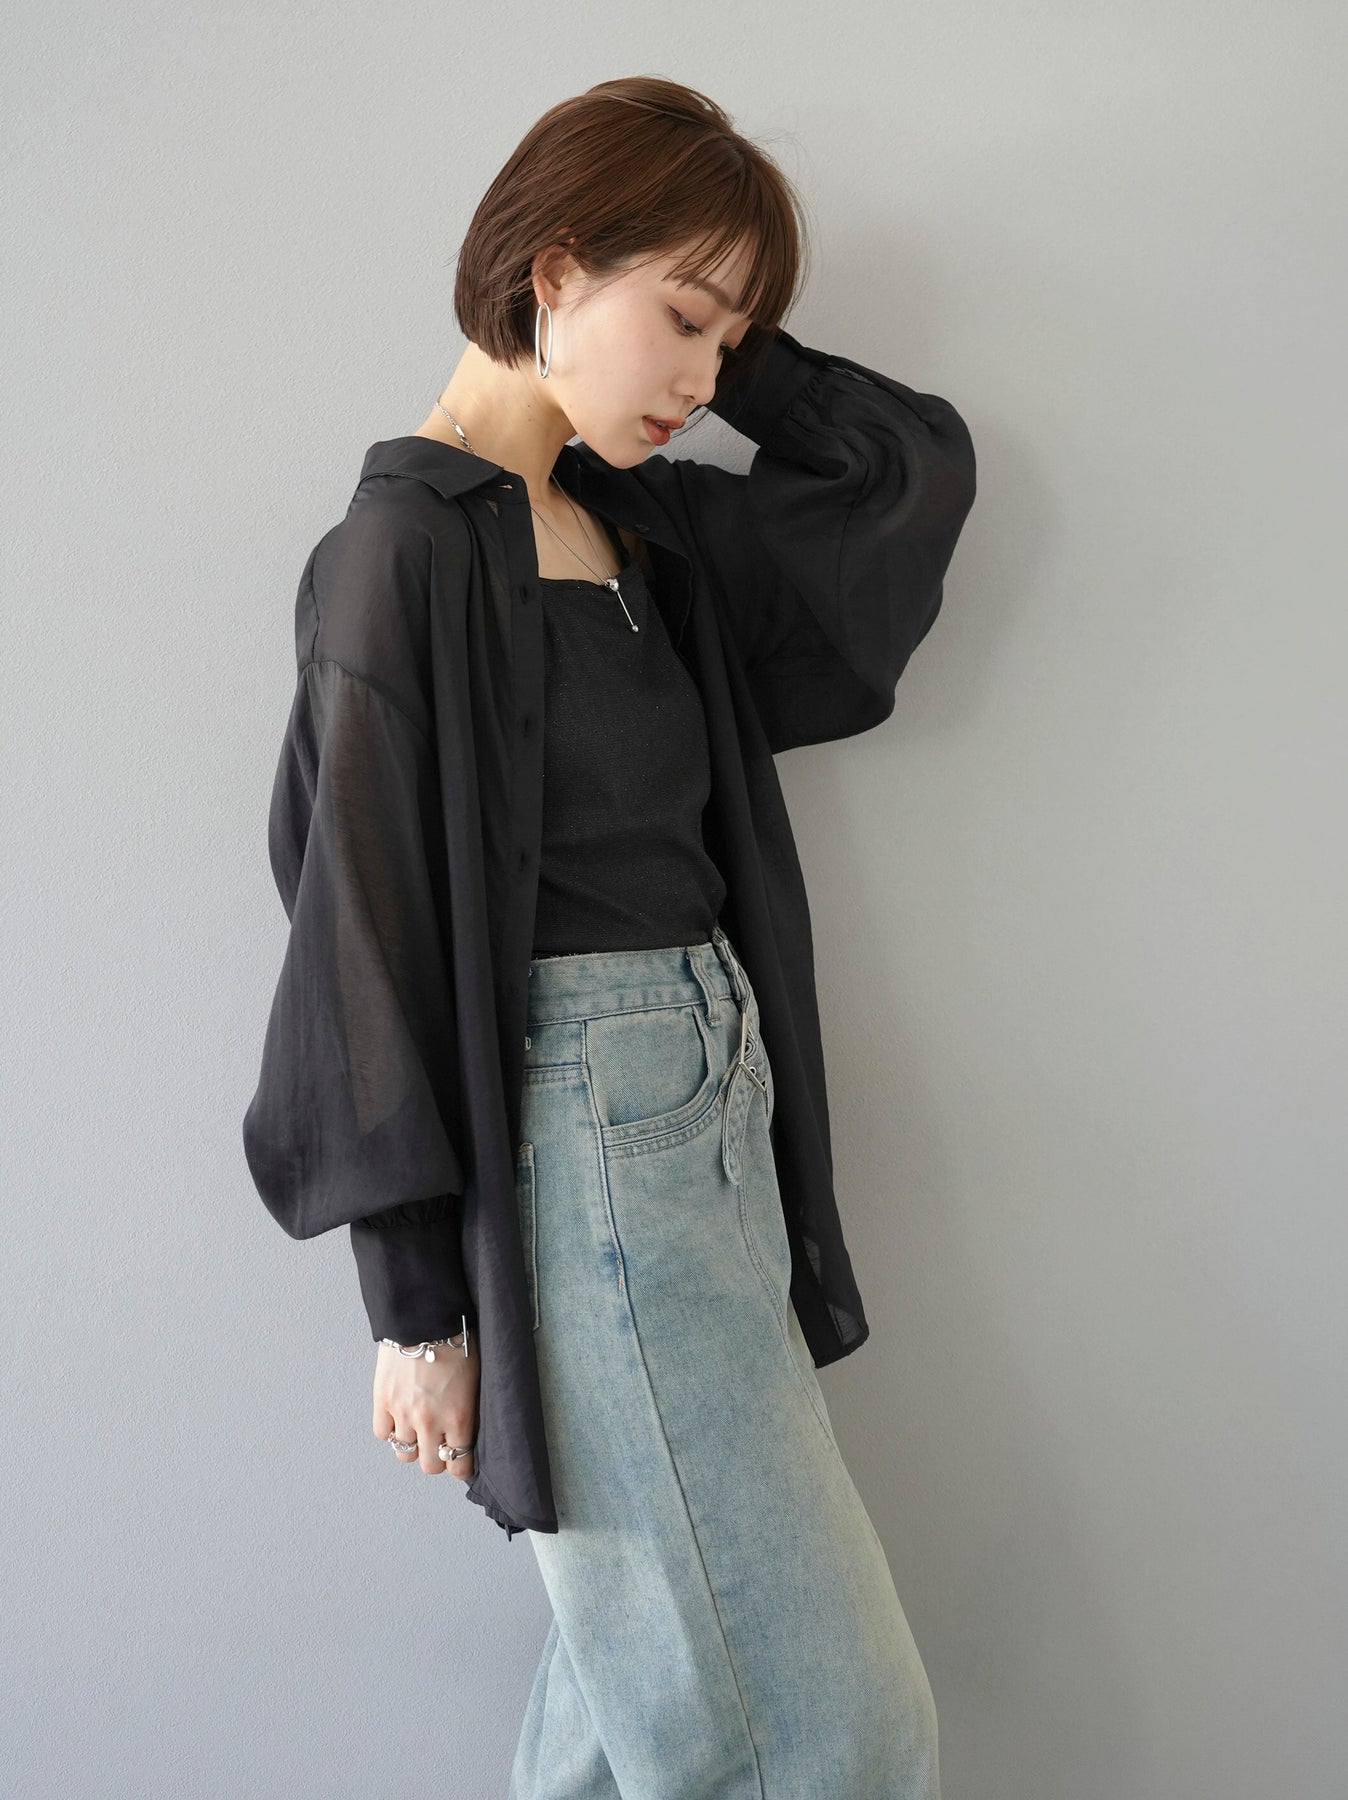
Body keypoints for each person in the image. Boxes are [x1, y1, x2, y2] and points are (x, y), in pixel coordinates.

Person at [243, 74, 976, 1798]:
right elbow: (357, 933)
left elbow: (903, 477)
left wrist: (749, 344)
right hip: (587, 1153)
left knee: (631, 1715)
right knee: (829, 1738)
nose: (707, 379)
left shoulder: (642, 526)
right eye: (689, 320)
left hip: (713, 1119)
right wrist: (417, 1305)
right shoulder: (397, 559)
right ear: (554, 268)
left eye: (735, 341)